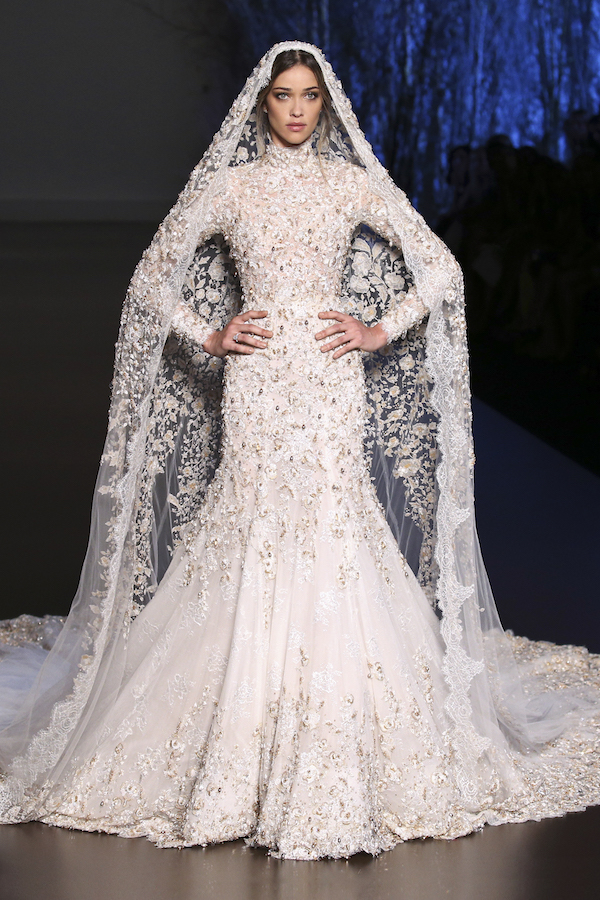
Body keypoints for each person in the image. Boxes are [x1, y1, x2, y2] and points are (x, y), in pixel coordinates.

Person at [1, 42, 599, 861]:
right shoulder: (229, 186)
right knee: (252, 526)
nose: (294, 109)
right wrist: (208, 334)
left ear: (325, 104)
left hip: (326, 381)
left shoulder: (351, 183)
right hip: (253, 383)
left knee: (332, 530)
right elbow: (149, 282)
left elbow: (443, 271)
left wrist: (376, 329)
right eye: (283, 95)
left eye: (309, 96)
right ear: (262, 104)